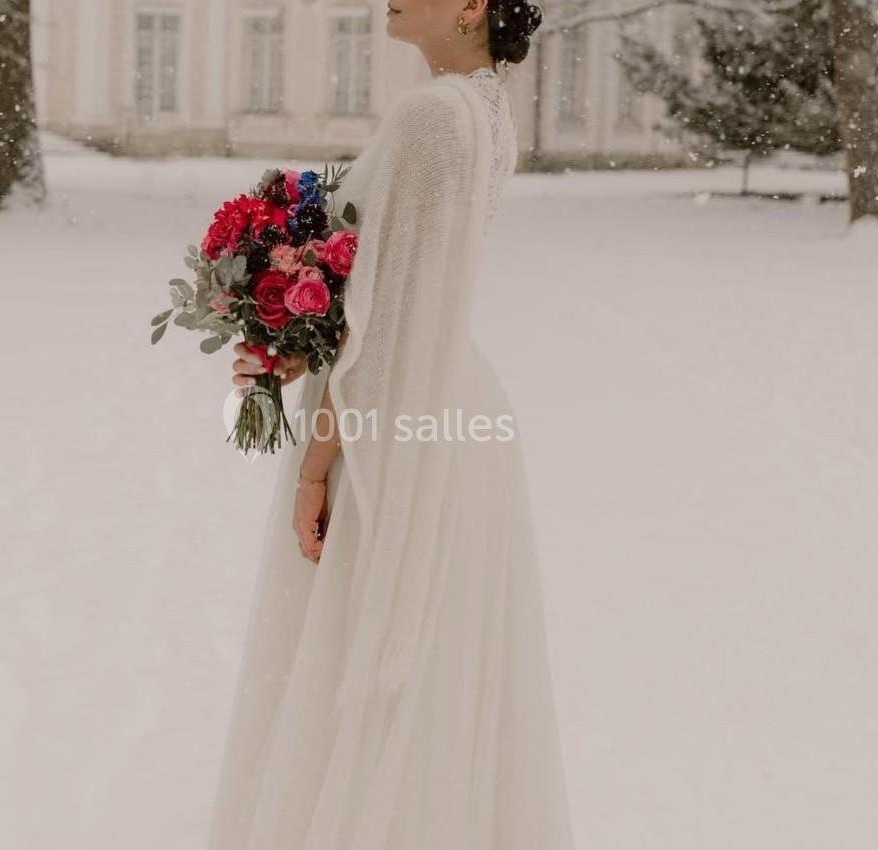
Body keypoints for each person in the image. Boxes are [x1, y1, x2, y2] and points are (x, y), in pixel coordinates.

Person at [209, 1, 575, 848]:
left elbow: (383, 321)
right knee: (436, 647)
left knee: (371, 634)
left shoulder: (429, 118)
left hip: (397, 418)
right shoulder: (487, 109)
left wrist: (313, 466)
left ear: (473, 6)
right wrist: (298, 327)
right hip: (460, 404)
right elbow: (390, 287)